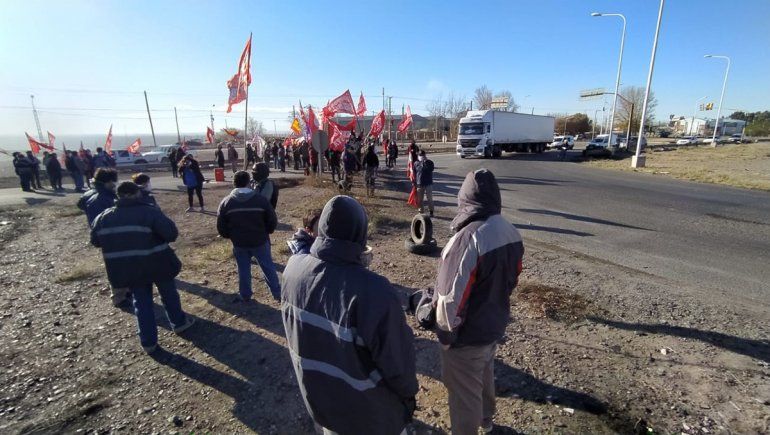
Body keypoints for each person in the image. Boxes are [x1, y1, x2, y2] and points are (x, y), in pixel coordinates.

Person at [281, 195, 418, 435]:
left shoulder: (292, 269)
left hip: (323, 406)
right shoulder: (374, 290)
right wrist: (408, 397)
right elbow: (399, 368)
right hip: (370, 417)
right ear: (361, 234)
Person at [416, 169, 524, 435]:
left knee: (463, 390)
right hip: (494, 323)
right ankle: (487, 420)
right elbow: (513, 278)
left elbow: (449, 300)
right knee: (484, 368)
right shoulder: (510, 230)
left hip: (466, 335)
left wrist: (445, 336)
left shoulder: (467, 239)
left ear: (464, 199)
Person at [90, 181, 195, 353]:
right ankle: (179, 323)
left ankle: (148, 342)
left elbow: (95, 241)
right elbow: (171, 233)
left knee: (141, 301)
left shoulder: (103, 217)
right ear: (134, 194)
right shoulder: (149, 211)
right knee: (168, 293)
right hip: (157, 262)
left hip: (128, 267)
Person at [217, 171, 280, 301]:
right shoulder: (260, 200)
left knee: (243, 269)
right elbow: (272, 220)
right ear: (248, 183)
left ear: (234, 183)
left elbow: (221, 226)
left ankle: (245, 295)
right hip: (260, 240)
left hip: (239, 243)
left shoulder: (226, 203)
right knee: (268, 267)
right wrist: (266, 231)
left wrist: (232, 236)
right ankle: (277, 293)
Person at [414, 150, 435, 216]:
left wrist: (425, 162)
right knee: (420, 199)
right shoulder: (416, 163)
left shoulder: (430, 162)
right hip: (419, 183)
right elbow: (415, 173)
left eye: (422, 155)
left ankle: (431, 211)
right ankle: (421, 211)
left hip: (428, 183)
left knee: (430, 198)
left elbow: (430, 169)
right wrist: (414, 182)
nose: (421, 157)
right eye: (420, 155)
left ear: (425, 155)